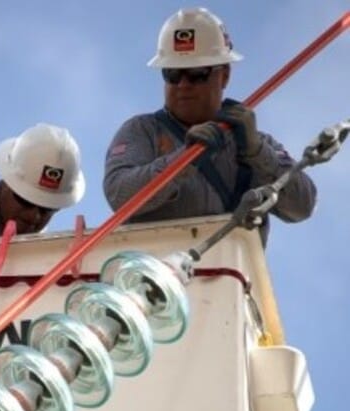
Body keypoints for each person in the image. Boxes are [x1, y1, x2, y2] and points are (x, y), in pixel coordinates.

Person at [103, 8, 316, 241]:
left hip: (232, 263)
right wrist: (182, 161)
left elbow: (302, 206)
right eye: (173, 74)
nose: (183, 85)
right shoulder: (142, 131)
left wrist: (257, 152)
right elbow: (119, 195)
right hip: (157, 262)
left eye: (197, 73)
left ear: (224, 75)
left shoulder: (256, 142)